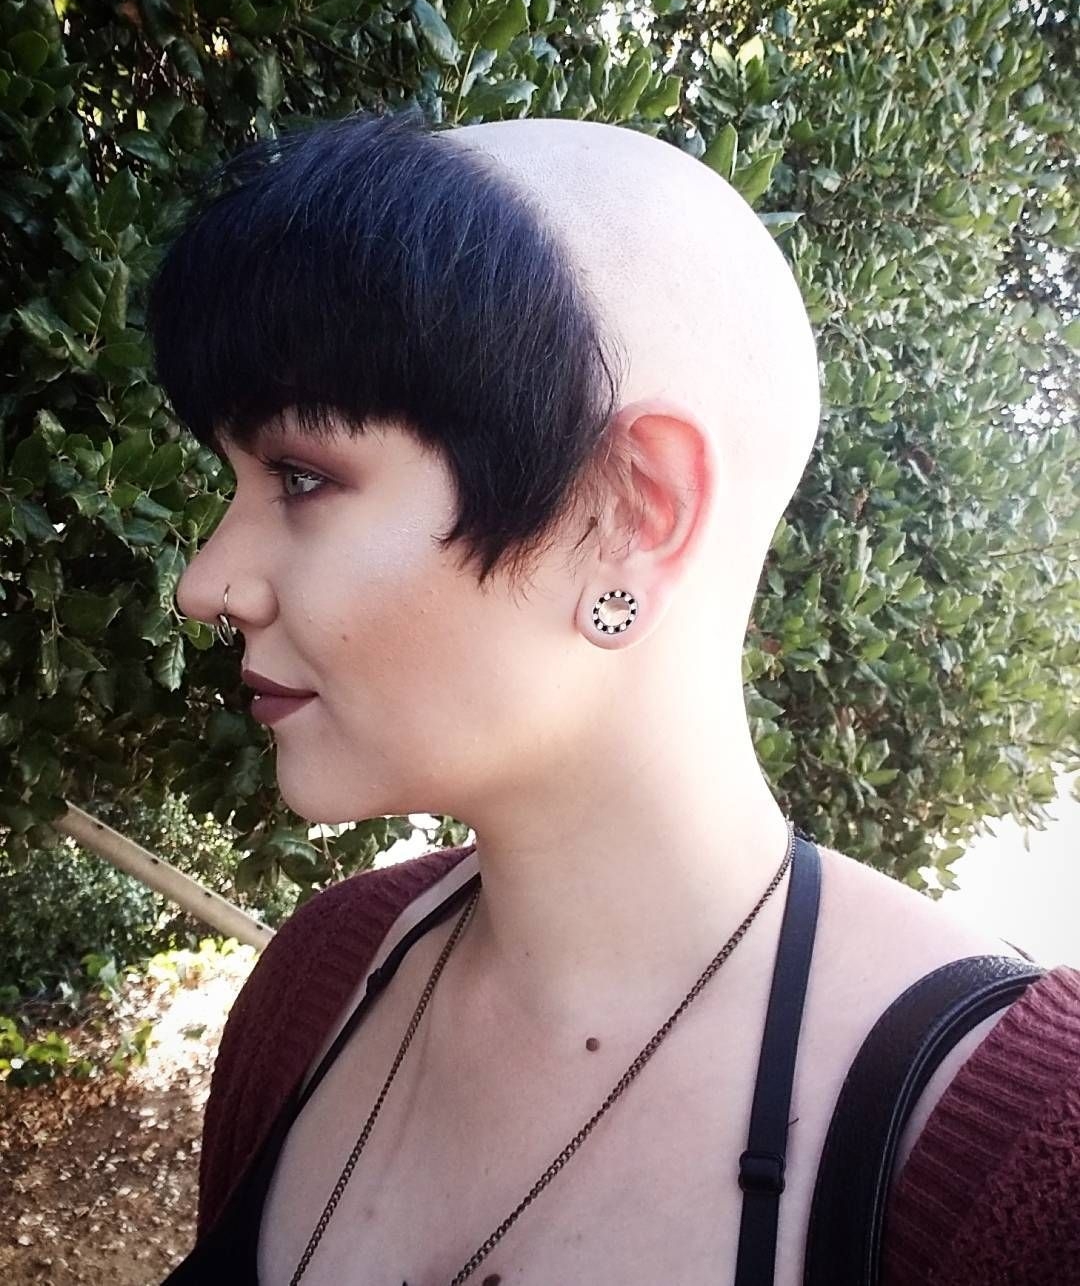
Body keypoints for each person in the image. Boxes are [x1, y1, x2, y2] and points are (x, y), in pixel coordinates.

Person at [146, 109, 1080, 1285]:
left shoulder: (1031, 1172)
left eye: (299, 476)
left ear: (632, 513)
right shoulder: (315, 981)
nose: (206, 583)